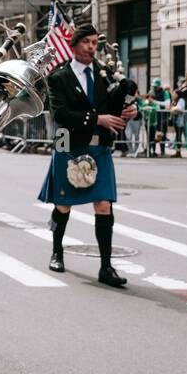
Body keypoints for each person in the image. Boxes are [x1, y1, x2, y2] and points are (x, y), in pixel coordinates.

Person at [39, 24, 136, 287]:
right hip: (66, 142)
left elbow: (113, 106)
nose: (92, 47)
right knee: (63, 203)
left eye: (95, 42)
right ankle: (57, 251)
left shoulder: (103, 74)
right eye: (87, 43)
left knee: (104, 204)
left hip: (98, 145)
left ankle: (106, 267)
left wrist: (128, 111)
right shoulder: (59, 77)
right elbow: (59, 115)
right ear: (75, 44)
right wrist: (98, 119)